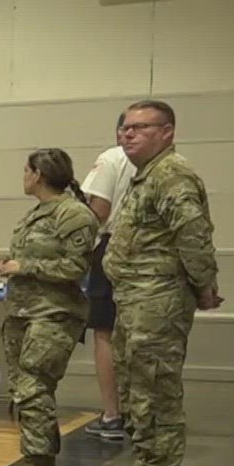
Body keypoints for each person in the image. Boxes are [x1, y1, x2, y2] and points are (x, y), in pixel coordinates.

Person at [95, 100, 222, 466]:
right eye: (125, 128)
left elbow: (193, 235)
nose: (127, 135)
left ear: (167, 132)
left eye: (140, 128)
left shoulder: (173, 175)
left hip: (158, 302)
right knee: (136, 391)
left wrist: (204, 285)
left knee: (157, 392)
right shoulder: (143, 176)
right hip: (134, 299)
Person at [0, 150, 97, 466]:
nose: (22, 176)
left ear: (39, 174)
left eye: (25, 170)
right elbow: (34, 256)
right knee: (26, 390)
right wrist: (6, 262)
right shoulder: (36, 213)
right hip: (23, 313)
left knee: (33, 388)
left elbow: (74, 269)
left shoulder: (74, 214)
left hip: (53, 314)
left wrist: (25, 266)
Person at [79, 116, 137, 441]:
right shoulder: (172, 165)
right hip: (151, 256)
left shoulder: (112, 157)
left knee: (105, 333)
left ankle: (112, 414)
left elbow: (99, 210)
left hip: (114, 246)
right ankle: (139, 415)